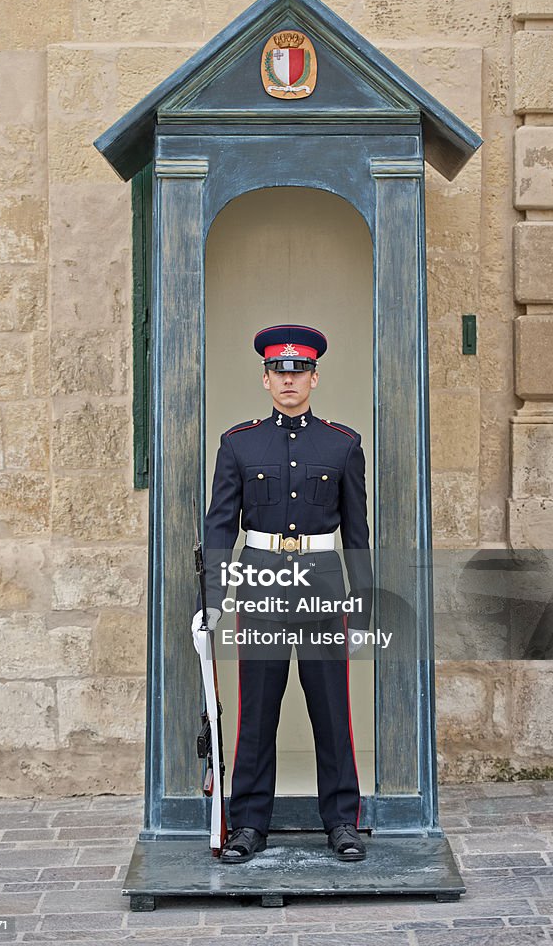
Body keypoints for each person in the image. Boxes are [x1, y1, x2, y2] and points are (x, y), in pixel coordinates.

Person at [192, 324, 373, 863]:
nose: (288, 381)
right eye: (279, 372)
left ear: (315, 378)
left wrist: (361, 601)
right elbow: (220, 528)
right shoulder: (238, 444)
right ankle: (248, 824)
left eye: (298, 372)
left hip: (320, 581)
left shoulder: (342, 445)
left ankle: (342, 820)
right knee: (257, 710)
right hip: (261, 580)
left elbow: (357, 534)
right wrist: (213, 599)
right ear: (265, 379)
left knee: (331, 710)